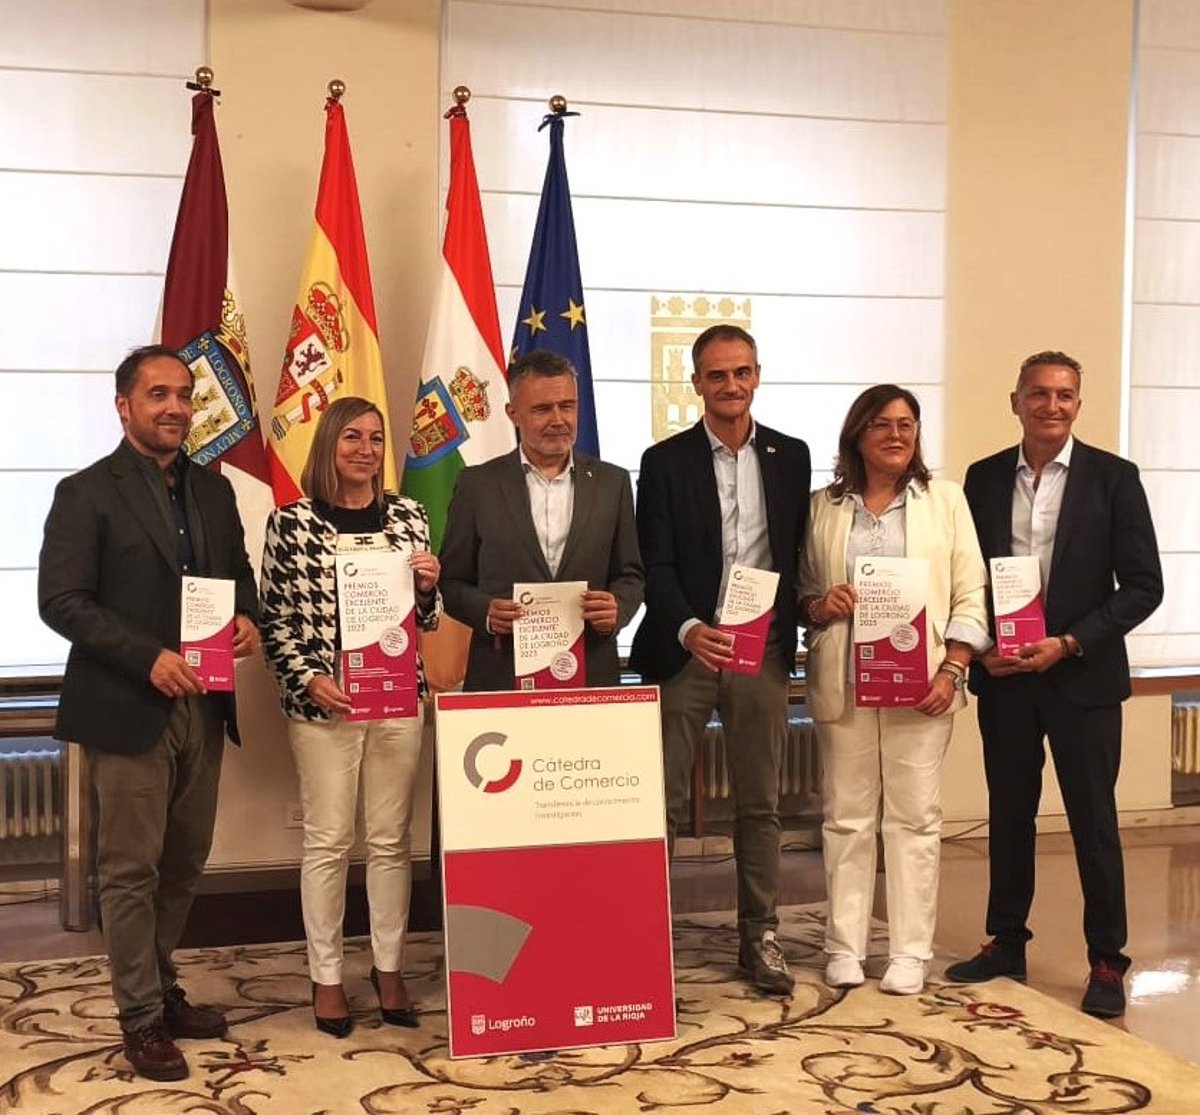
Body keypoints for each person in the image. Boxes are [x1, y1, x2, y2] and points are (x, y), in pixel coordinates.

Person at [38, 344, 259, 1081]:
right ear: (124, 406)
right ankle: (139, 1017)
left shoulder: (214, 492)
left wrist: (249, 620)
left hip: (206, 704)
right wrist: (147, 657)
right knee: (129, 869)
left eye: (184, 395)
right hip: (128, 705)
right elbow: (61, 601)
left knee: (184, 860)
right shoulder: (85, 492)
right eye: (158, 394)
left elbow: (239, 580)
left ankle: (159, 986)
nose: (175, 407)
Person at [946, 350, 1164, 1017]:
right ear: (1015, 401)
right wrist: (981, 651)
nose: (1051, 405)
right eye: (1038, 393)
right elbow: (967, 577)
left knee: (1093, 823)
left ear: (1078, 404)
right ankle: (1006, 941)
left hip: (1083, 677)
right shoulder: (982, 478)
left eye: (1064, 394)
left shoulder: (1114, 479)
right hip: (1008, 676)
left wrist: (1069, 642)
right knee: (1008, 814)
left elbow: (1144, 586)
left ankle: (1107, 961)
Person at [630, 324, 809, 995]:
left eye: (741, 372)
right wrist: (688, 628)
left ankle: (760, 935)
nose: (730, 385)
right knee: (662, 802)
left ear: (757, 375)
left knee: (760, 802)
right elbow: (655, 562)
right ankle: (647, 938)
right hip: (687, 651)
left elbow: (796, 553)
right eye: (716, 375)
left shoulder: (791, 456)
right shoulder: (664, 461)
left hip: (761, 650)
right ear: (696, 383)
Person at [259, 397, 441, 1038]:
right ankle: (328, 976)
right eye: (352, 438)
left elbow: (426, 619)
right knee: (329, 840)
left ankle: (389, 969)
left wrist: (428, 587)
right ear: (329, 445)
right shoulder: (291, 523)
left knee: (391, 841)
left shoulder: (409, 516)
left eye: (375, 438)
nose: (366, 450)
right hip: (325, 702)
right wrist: (310, 678)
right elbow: (274, 619)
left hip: (396, 698)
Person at [798, 385, 989, 995]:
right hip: (845, 683)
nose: (897, 435)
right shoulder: (823, 507)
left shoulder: (946, 501)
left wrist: (953, 668)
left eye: (907, 424)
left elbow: (971, 593)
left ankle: (910, 951)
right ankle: (844, 946)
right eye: (881, 424)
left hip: (922, 685)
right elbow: (803, 594)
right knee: (846, 818)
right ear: (857, 434)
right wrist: (821, 604)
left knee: (914, 819)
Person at [440, 349, 643, 690]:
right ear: (513, 413)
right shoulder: (477, 485)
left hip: (590, 674)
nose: (558, 419)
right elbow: (451, 580)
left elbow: (631, 574)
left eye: (567, 406)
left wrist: (618, 608)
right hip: (502, 675)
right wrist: (486, 612)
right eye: (542, 409)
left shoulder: (614, 482)